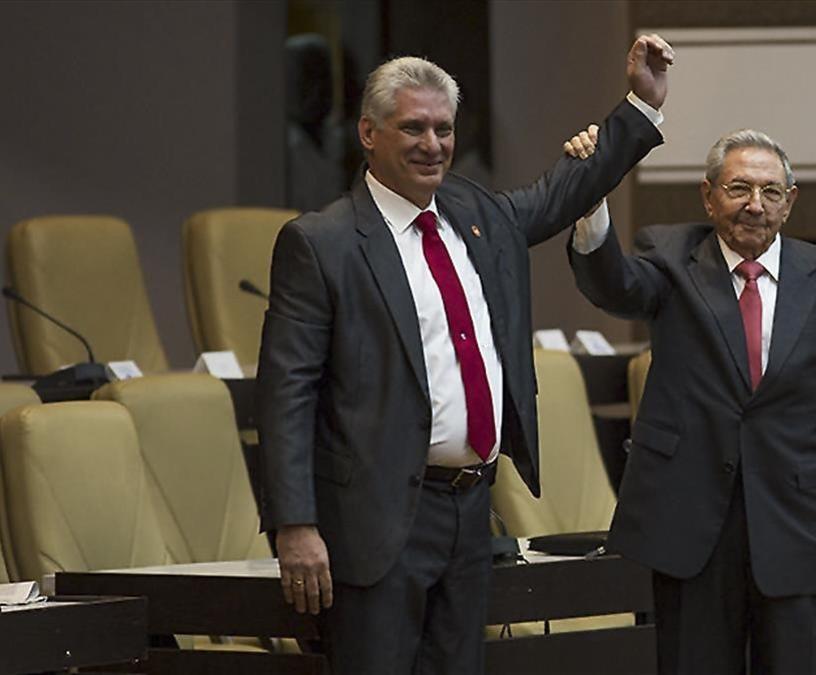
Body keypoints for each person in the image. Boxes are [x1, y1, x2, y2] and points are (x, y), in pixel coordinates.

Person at [255, 35, 673, 674]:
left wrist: (639, 106)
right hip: (376, 521)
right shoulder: (322, 243)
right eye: (413, 128)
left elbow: (560, 192)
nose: (433, 144)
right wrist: (295, 525)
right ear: (368, 133)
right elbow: (286, 392)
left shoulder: (474, 214)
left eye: (444, 129)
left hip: (471, 509)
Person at [564, 127, 816, 674]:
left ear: (790, 201)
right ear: (708, 195)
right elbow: (614, 287)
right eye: (739, 189)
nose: (754, 205)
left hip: (797, 522)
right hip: (693, 523)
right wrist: (591, 196)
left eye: (770, 191)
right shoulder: (669, 257)